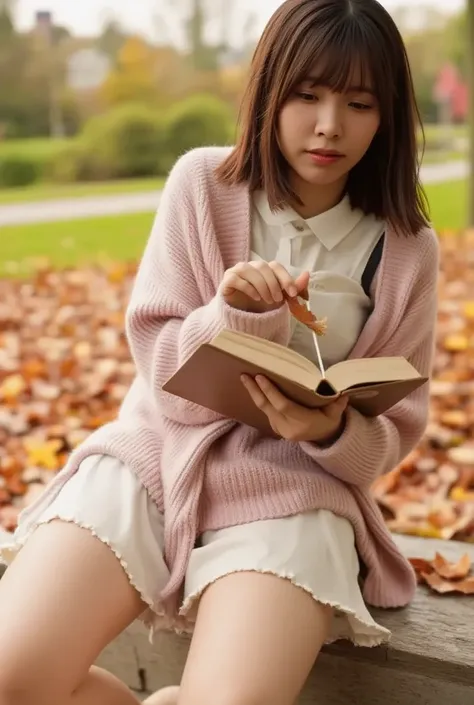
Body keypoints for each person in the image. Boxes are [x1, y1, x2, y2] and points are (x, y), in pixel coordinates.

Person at [0, 0, 439, 704]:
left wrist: (328, 428)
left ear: (387, 114)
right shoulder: (203, 184)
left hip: (292, 494)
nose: (331, 125)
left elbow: (391, 438)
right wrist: (236, 314)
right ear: (271, 90)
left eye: (359, 103)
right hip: (152, 463)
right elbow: (165, 377)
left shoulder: (407, 250)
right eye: (308, 95)